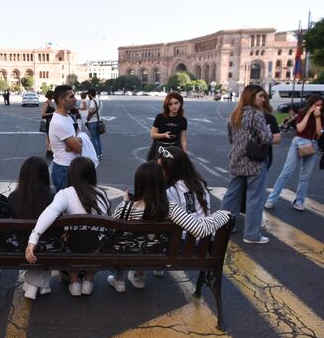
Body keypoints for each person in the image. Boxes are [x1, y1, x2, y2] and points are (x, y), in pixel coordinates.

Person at [106, 162, 230, 292]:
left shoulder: (125, 208)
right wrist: (223, 214)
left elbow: (113, 234)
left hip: (128, 255)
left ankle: (120, 278)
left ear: (138, 183)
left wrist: (126, 202)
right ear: (161, 182)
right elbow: (199, 228)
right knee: (148, 241)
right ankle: (137, 275)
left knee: (128, 240)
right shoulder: (170, 208)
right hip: (157, 255)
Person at [25, 157, 110, 297]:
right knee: (98, 237)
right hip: (97, 249)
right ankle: (88, 280)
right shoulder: (102, 194)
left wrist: (34, 238)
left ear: (71, 175)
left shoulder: (65, 194)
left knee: (66, 237)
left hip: (72, 249)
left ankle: (74, 281)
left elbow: (49, 213)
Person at [219, 85, 272, 244]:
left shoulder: (234, 114)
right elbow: (266, 138)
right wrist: (268, 132)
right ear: (251, 97)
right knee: (255, 199)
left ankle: (224, 227)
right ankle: (252, 235)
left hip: (236, 161)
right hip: (254, 162)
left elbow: (230, 139)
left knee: (231, 196)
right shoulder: (257, 115)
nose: (263, 99)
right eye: (260, 96)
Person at [265, 94, 323, 211]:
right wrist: (308, 114)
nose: (319, 107)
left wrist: (317, 118)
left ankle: (299, 201)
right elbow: (300, 129)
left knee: (305, 176)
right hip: (298, 143)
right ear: (311, 105)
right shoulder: (302, 112)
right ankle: (271, 199)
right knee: (287, 172)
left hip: (312, 144)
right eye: (316, 105)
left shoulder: (321, 116)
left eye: (321, 105)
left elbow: (319, 133)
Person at [8, 157, 54, 299]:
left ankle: (34, 283)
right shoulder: (52, 198)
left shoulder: (13, 197)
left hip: (21, 245)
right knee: (46, 243)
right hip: (48, 246)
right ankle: (39, 284)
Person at [49, 85, 83, 192]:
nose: (75, 99)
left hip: (69, 167)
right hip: (64, 170)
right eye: (71, 97)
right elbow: (78, 148)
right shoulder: (59, 122)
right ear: (61, 100)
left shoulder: (67, 117)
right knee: (67, 205)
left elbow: (79, 134)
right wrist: (75, 143)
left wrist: (75, 142)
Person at [147, 92, 188, 160]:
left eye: (176, 103)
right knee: (159, 169)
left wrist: (185, 153)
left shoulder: (183, 120)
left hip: (175, 149)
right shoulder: (160, 117)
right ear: (167, 106)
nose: (174, 106)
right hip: (160, 149)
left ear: (180, 103)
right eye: (170, 104)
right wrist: (163, 135)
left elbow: (183, 139)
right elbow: (152, 135)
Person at [86, 89, 102, 157]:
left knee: (93, 138)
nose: (87, 96)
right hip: (99, 121)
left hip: (92, 121)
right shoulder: (99, 100)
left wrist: (88, 117)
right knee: (98, 138)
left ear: (90, 94)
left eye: (88, 94)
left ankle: (96, 153)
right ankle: (100, 153)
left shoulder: (92, 101)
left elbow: (91, 110)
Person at [40, 90, 55, 158]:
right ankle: (49, 151)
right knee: (50, 137)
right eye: (53, 95)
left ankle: (49, 151)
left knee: (49, 137)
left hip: (51, 121)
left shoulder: (51, 103)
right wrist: (52, 113)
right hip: (48, 121)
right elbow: (43, 114)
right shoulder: (46, 103)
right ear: (51, 95)